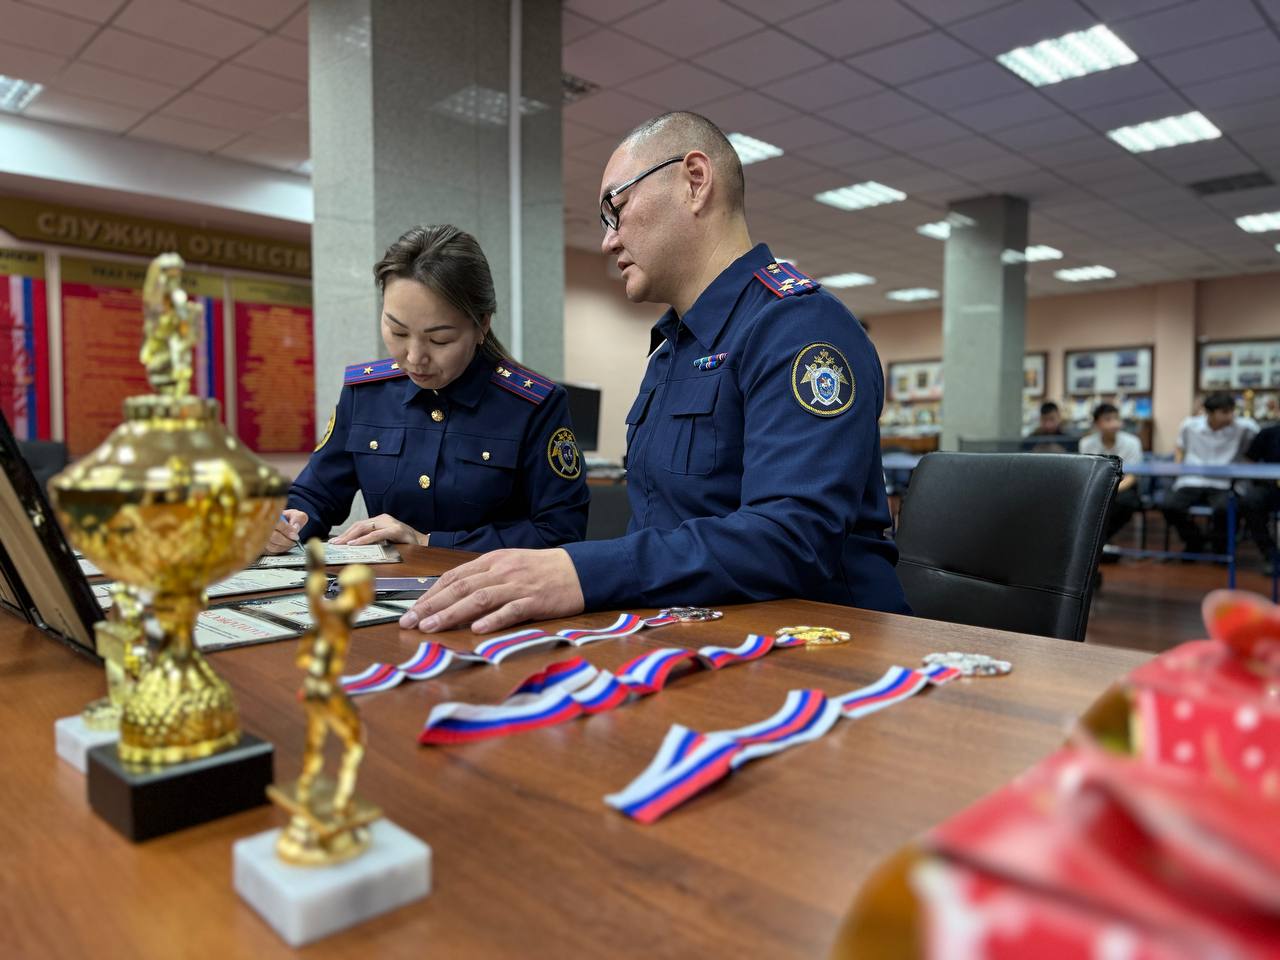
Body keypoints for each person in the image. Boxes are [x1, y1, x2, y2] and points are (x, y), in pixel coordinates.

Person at [399, 111, 907, 636]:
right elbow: (661, 526)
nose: (608, 240)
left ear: (695, 181)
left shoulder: (798, 327)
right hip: (694, 628)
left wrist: (585, 572)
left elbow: (791, 539)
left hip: (822, 643)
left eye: (615, 209)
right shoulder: (673, 347)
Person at [265, 225, 589, 554]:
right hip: (381, 585)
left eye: (439, 340)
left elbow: (560, 532)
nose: (414, 357)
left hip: (492, 584)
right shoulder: (367, 395)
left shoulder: (532, 406)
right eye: (398, 332)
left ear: (482, 324)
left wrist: (428, 543)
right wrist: (285, 523)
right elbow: (314, 495)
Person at [1161, 392, 1258, 558]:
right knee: (1169, 506)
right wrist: (1178, 468)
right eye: (1225, 412)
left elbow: (1259, 439)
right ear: (1210, 413)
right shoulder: (1190, 425)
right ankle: (1195, 541)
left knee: (1226, 509)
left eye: (1232, 411)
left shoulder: (1244, 427)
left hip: (1223, 482)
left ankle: (1219, 548)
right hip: (1192, 479)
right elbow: (1179, 447)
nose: (1230, 416)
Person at [1079, 403, 1143, 554]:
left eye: (1116, 418)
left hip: (1124, 486)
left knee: (1126, 502)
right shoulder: (1086, 443)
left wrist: (1110, 490)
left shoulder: (1132, 442)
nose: (1114, 423)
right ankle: (1098, 544)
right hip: (1097, 486)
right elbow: (1087, 473)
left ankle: (1097, 542)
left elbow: (1132, 476)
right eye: (1108, 419)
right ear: (1097, 424)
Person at [1242, 422, 1280, 574]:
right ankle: (1270, 554)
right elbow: (1250, 460)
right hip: (1271, 486)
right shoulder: (1268, 433)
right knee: (1250, 500)